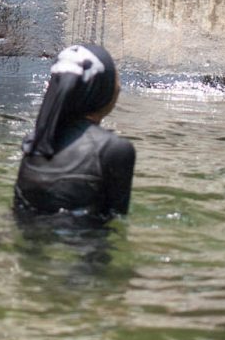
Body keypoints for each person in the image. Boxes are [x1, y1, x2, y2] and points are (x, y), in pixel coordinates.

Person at [13, 43, 135, 219]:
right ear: (99, 88)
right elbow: (115, 219)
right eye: (115, 79)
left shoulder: (35, 142)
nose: (119, 86)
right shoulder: (112, 148)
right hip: (81, 243)